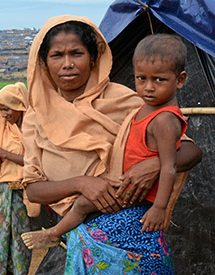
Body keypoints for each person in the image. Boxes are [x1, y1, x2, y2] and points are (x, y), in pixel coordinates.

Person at [21, 15, 202, 274]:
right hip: (78, 235)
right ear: (43, 62)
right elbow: (34, 191)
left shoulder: (128, 100)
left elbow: (191, 151)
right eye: (57, 55)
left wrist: (153, 165)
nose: (68, 64)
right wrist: (81, 183)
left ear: (93, 58)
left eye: (77, 53)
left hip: (135, 231)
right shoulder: (35, 117)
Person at [0, 82, 32, 275]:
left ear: (19, 105)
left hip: (23, 193)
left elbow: (35, 162)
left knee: (19, 241)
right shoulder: (3, 129)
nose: (3, 115)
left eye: (7, 109)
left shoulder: (33, 130)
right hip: (1, 192)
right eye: (1, 110)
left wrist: (4, 153)